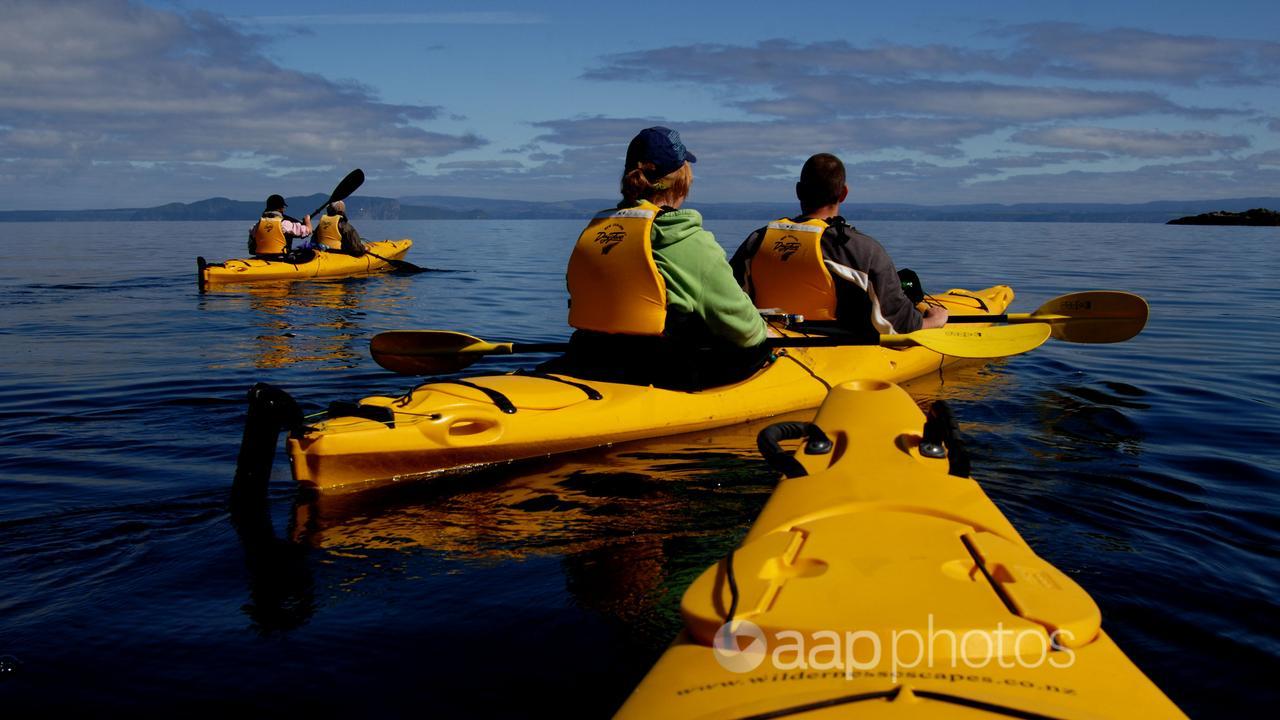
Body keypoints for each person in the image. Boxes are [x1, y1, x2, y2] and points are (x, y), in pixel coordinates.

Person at [544, 126, 771, 390]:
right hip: (660, 373)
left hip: (588, 356)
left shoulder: (596, 232)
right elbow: (747, 332)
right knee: (759, 349)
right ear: (683, 179)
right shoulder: (689, 241)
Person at [729, 153, 947, 341]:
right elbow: (897, 325)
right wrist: (933, 322)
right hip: (837, 345)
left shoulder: (757, 241)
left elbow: (730, 300)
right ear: (843, 193)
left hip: (772, 339)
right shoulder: (862, 250)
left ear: (798, 191)